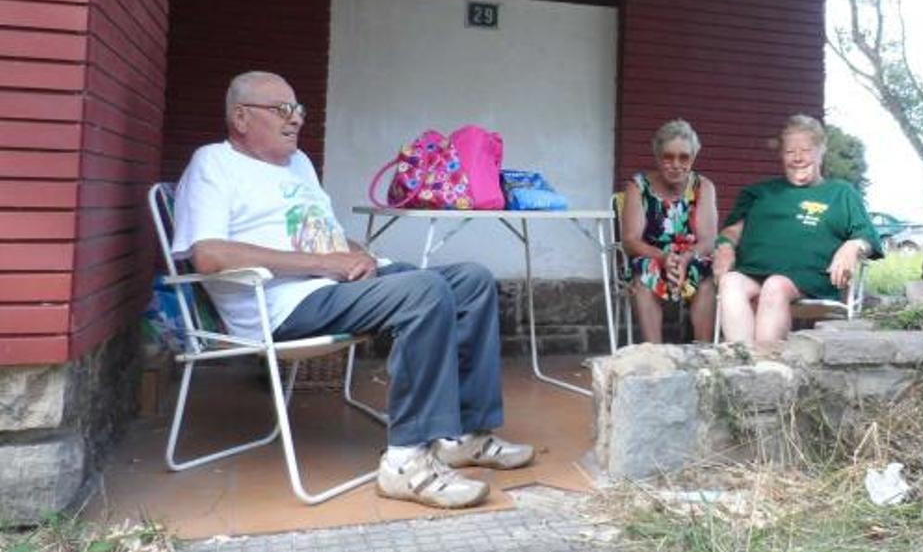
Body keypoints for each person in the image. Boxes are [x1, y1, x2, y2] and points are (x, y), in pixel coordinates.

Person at [170, 70, 533, 509]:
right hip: (283, 305)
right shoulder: (213, 163)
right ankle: (406, 461)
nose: (296, 119)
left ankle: (463, 435)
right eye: (281, 110)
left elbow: (326, 235)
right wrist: (326, 263)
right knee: (423, 291)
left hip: (333, 285)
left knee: (471, 280)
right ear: (241, 117)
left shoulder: (299, 164)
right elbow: (208, 255)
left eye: (298, 109)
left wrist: (358, 255)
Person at [712, 114, 881, 348]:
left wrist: (852, 246)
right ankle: (742, 361)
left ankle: (765, 365)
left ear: (821, 151)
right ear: (781, 156)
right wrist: (724, 246)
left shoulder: (841, 193)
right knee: (730, 282)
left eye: (806, 150)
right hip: (753, 272)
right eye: (790, 152)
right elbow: (732, 231)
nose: (798, 158)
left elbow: (867, 236)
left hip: (806, 280)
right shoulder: (759, 192)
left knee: (775, 285)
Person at [621, 119, 717, 343]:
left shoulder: (703, 187)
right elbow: (630, 240)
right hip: (651, 255)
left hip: (691, 255)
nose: (676, 164)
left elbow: (708, 239)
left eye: (684, 157)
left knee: (706, 276)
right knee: (645, 274)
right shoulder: (638, 186)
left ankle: (702, 353)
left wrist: (685, 258)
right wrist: (662, 257)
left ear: (692, 158)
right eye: (668, 157)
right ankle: (655, 355)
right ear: (657, 157)